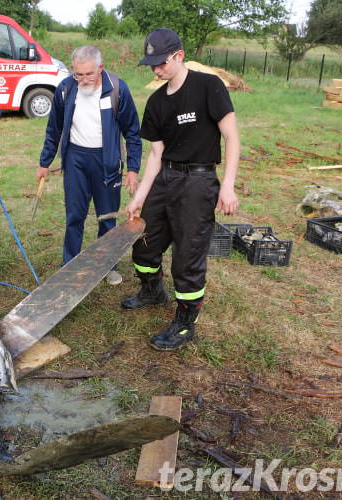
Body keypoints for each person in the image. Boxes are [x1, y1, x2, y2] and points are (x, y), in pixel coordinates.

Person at [121, 28, 240, 351]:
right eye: (152, 65)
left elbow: (231, 136)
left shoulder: (208, 87)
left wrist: (227, 186)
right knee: (144, 244)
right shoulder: (157, 101)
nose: (157, 70)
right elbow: (156, 153)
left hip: (198, 181)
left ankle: (186, 323)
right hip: (166, 179)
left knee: (187, 257)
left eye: (161, 63)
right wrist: (140, 196)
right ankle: (151, 290)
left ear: (179, 56)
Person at [38, 45, 142, 285]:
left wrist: (133, 169)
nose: (83, 79)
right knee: (75, 215)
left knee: (107, 217)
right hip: (75, 158)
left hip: (107, 161)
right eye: (78, 74)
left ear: (100, 68)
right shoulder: (65, 88)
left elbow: (132, 133)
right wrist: (45, 162)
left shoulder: (117, 89)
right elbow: (53, 129)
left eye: (89, 74)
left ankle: (107, 266)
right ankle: (69, 264)